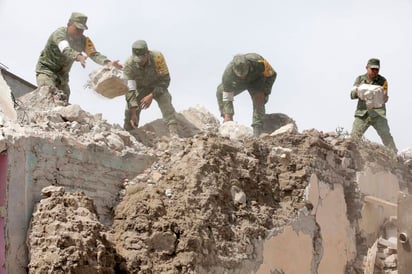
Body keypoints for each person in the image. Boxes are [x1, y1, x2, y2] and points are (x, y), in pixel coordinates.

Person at [35, 12, 122, 104]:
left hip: (63, 77)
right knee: (48, 94)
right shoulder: (59, 34)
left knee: (63, 100)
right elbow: (65, 48)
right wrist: (78, 56)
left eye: (82, 30)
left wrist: (108, 63)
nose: (79, 32)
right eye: (77, 29)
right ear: (69, 24)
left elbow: (94, 54)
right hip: (47, 70)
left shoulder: (83, 41)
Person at [123, 40, 178, 136]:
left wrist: (151, 95)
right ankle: (129, 135)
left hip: (157, 87)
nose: (140, 62)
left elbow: (165, 80)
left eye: (142, 59)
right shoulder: (129, 65)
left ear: (148, 53)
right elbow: (129, 90)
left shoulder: (157, 57)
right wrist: (133, 113)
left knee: (166, 100)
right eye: (137, 60)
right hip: (140, 89)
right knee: (129, 111)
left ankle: (173, 132)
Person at [216, 53, 277, 137]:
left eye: (244, 73)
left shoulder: (259, 62)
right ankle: (228, 124)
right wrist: (228, 115)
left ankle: (257, 130)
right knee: (220, 91)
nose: (243, 77)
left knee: (258, 99)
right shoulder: (228, 74)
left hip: (256, 80)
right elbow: (227, 95)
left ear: (248, 65)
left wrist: (265, 92)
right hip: (239, 84)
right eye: (241, 75)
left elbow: (272, 75)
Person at [350, 58, 397, 153]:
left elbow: (385, 98)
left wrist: (381, 96)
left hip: (378, 114)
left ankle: (395, 157)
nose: (375, 71)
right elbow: (352, 95)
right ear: (367, 68)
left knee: (386, 135)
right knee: (354, 137)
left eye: (377, 69)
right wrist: (360, 91)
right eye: (372, 69)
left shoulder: (383, 81)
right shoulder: (360, 79)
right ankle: (352, 155)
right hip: (363, 113)